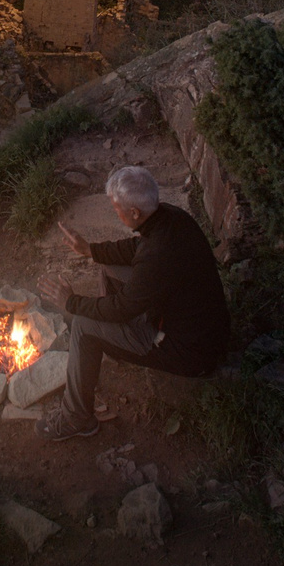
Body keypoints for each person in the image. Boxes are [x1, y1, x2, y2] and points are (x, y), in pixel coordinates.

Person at [37, 165, 230, 441]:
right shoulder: (171, 218)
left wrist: (72, 302)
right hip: (196, 324)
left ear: (135, 213)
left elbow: (122, 307)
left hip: (188, 351)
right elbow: (136, 250)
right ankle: (114, 341)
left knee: (82, 325)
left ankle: (76, 418)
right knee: (107, 266)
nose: (115, 211)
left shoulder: (157, 256)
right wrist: (91, 251)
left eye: (116, 208)